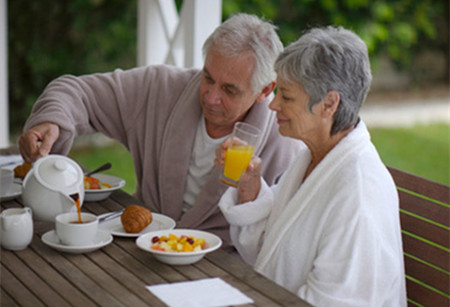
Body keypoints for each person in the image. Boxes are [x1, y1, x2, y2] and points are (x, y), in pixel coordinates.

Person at [18, 13, 303, 249]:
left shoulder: (286, 144)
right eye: (208, 77)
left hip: (222, 273)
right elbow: (75, 91)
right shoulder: (160, 89)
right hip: (137, 248)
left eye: (229, 89)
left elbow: (278, 245)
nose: (211, 97)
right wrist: (51, 121)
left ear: (265, 90)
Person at [215, 26, 407, 305]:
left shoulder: (359, 193)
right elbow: (272, 252)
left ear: (329, 104)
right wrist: (250, 188)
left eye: (287, 97)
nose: (273, 105)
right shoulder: (313, 158)